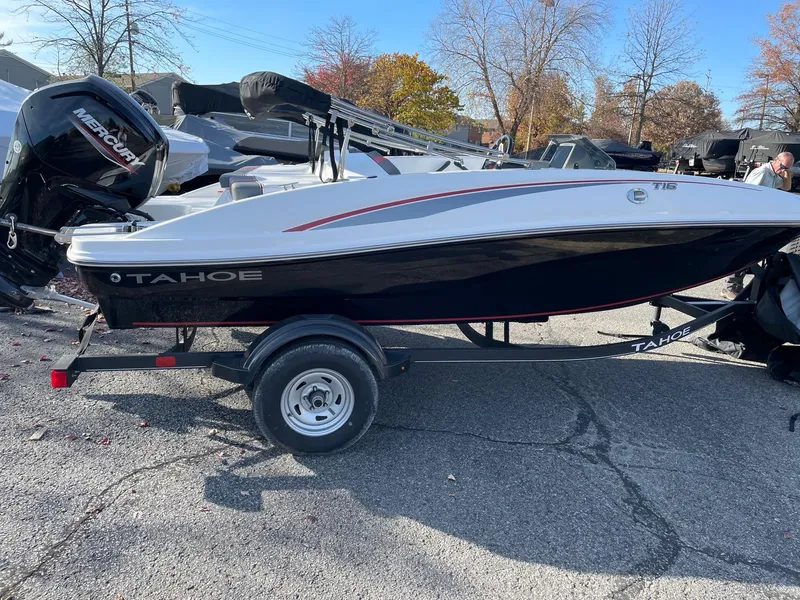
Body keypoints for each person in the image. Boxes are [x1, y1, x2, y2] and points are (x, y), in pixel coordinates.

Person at [721, 151, 795, 300]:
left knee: (757, 251)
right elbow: (746, 195)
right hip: (747, 217)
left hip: (761, 218)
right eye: (781, 166)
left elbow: (786, 188)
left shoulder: (775, 174)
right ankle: (729, 286)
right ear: (775, 160)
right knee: (744, 251)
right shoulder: (762, 173)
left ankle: (744, 286)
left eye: (786, 168)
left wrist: (786, 173)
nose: (782, 170)